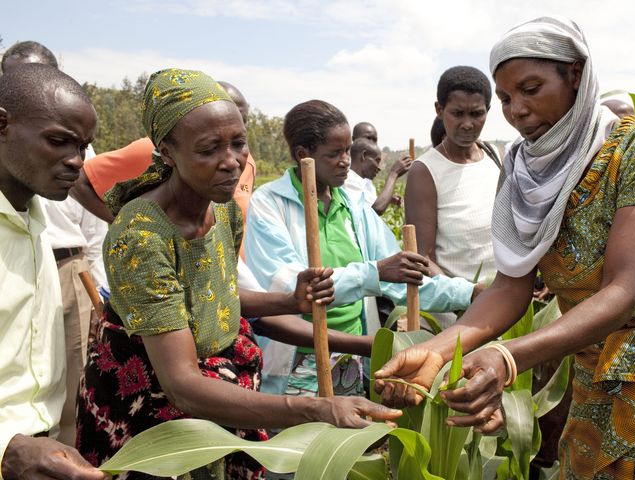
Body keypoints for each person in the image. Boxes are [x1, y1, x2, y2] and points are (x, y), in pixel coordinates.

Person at [375, 17, 635, 480]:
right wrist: (438, 352)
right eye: (505, 98)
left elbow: (622, 290)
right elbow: (510, 287)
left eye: (530, 88)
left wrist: (508, 357)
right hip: (594, 379)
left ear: (576, 76)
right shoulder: (521, 169)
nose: (516, 109)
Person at [76, 69, 401, 479]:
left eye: (238, 143)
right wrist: (315, 407)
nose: (232, 162)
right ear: (166, 152)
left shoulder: (224, 209)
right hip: (153, 410)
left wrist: (290, 301)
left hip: (220, 389)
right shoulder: (140, 237)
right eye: (209, 149)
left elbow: (217, 297)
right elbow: (181, 383)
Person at [245, 99, 481, 396]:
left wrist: (469, 292)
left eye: (347, 151)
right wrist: (376, 272)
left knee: (348, 438)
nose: (346, 160)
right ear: (304, 155)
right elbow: (293, 286)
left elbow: (401, 278)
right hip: (298, 359)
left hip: (352, 356)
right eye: (334, 154)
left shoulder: (354, 206)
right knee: (304, 439)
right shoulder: (269, 204)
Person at [0, 63, 106, 480]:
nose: (75, 161)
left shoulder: (36, 220)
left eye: (83, 147)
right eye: (58, 141)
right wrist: (6, 448)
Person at [69, 82, 257, 232]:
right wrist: (127, 225)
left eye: (241, 120)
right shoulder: (152, 150)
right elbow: (80, 180)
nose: (230, 162)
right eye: (209, 148)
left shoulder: (244, 161)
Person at [405, 66, 501, 285]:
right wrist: (465, 296)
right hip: (456, 309)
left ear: (487, 110)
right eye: (458, 113)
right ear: (439, 110)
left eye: (477, 114)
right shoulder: (425, 171)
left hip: (502, 300)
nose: (467, 124)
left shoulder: (493, 155)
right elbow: (423, 257)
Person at [344, 137, 410, 215]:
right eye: (377, 160)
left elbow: (371, 204)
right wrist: (393, 174)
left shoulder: (365, 183)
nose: (379, 167)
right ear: (364, 156)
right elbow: (376, 209)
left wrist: (389, 199)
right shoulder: (348, 180)